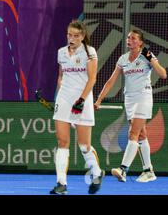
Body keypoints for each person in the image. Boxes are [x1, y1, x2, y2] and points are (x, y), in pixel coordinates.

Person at [94, 29, 167, 183]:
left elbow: (163, 74)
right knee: (141, 135)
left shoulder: (146, 55)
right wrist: (99, 99)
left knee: (132, 133)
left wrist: (152, 59)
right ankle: (148, 171)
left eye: (133, 38)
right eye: (128, 38)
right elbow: (111, 81)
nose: (129, 40)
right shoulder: (123, 59)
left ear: (140, 42)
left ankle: (123, 169)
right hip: (129, 100)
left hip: (143, 97)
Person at [50, 20, 104, 195]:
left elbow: (92, 79)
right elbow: (61, 76)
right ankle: (61, 183)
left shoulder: (90, 52)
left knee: (84, 145)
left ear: (82, 36)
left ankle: (96, 173)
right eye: (69, 35)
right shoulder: (61, 53)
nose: (71, 38)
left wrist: (80, 100)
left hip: (83, 100)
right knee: (62, 143)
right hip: (64, 99)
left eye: (75, 36)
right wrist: (59, 97)